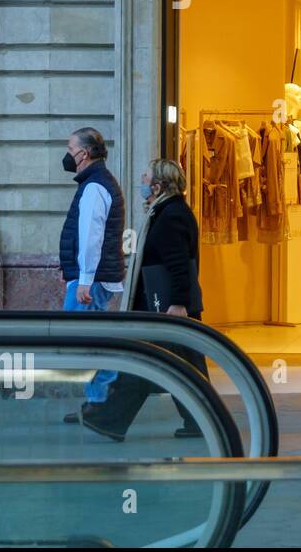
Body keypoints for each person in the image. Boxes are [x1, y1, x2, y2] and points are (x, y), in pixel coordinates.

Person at [79, 159, 211, 442]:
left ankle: (108, 419)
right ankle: (201, 419)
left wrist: (177, 304)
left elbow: (178, 264)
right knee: (185, 366)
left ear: (158, 185)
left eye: (145, 177)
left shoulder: (171, 215)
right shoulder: (165, 211)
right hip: (166, 306)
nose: (141, 182)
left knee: (145, 363)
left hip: (165, 308)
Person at [58, 128, 125, 413]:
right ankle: (98, 399)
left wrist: (84, 279)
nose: (67, 155)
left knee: (81, 342)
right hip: (93, 278)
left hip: (91, 281)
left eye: (70, 149)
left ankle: (103, 397)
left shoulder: (95, 186)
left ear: (83, 154)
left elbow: (90, 236)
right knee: (90, 340)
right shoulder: (97, 182)